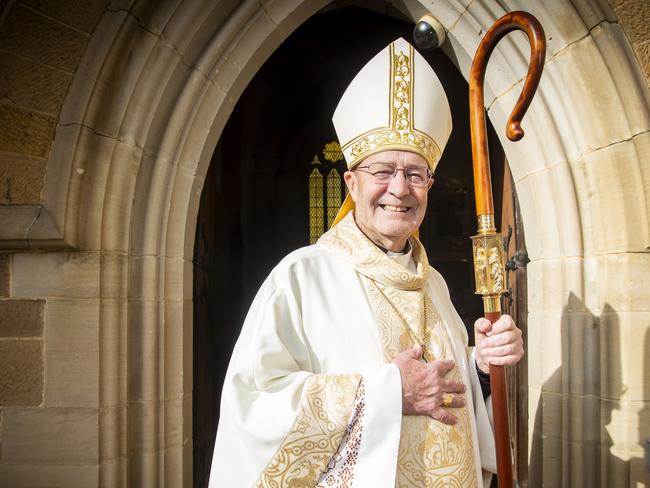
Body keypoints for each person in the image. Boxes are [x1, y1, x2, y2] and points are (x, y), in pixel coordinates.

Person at [209, 38, 524, 488]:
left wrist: (481, 366)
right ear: (351, 183)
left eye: (416, 174)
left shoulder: (432, 283)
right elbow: (255, 405)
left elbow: (449, 395)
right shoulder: (301, 277)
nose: (400, 189)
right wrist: (388, 393)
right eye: (382, 172)